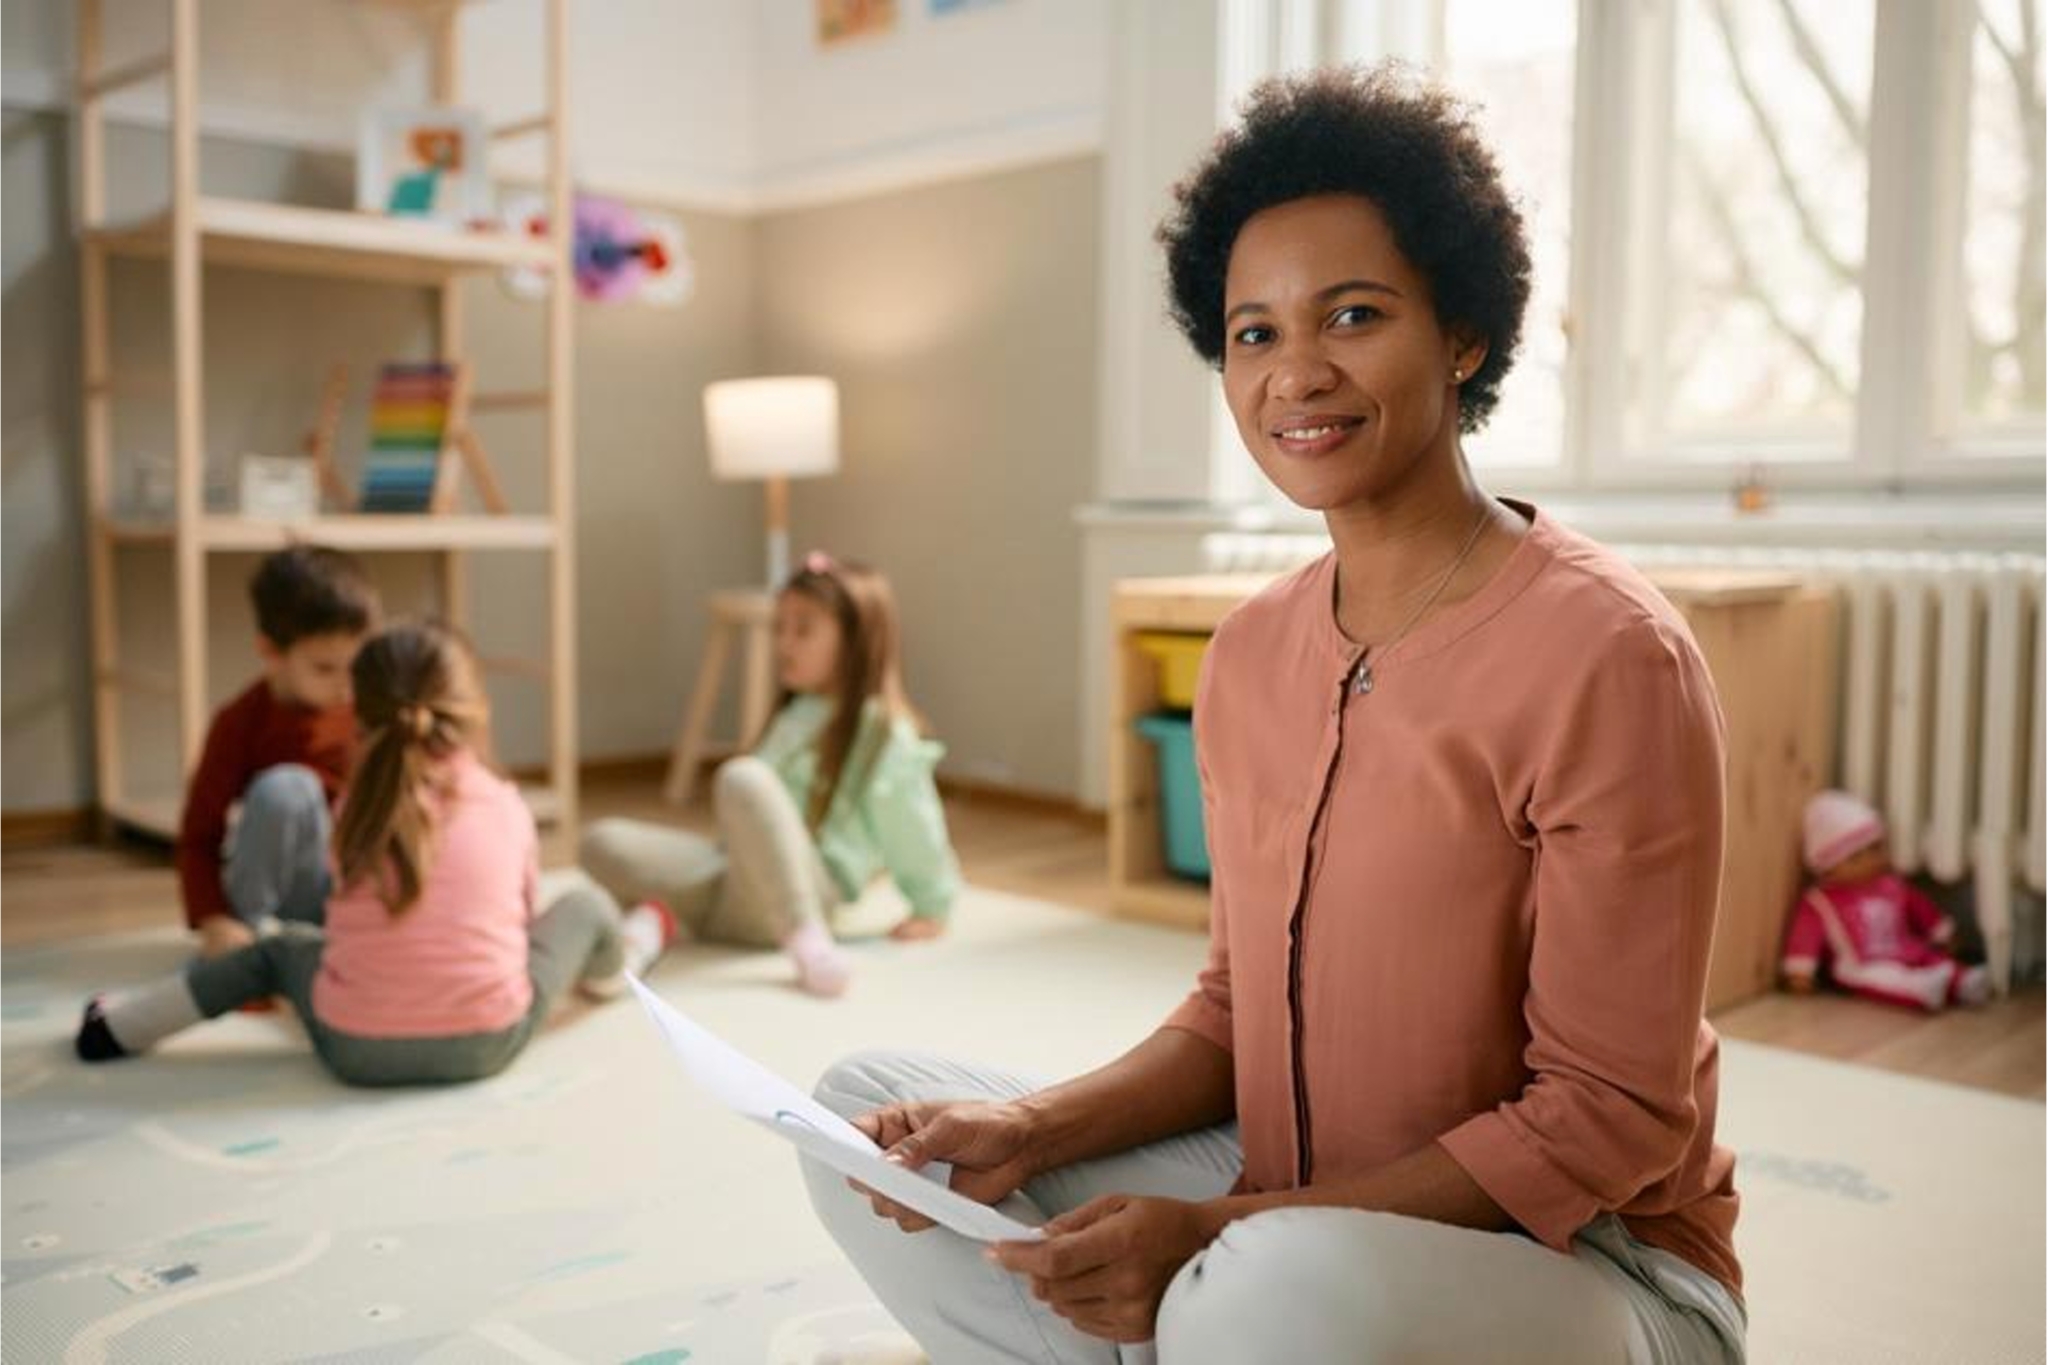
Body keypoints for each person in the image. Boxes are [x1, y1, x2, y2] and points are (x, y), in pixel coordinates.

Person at [800, 64, 1746, 1363]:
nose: (1296, 372)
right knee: (870, 1124)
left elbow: (1604, 1116)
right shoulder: (1248, 655)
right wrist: (1033, 1129)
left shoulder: (1610, 655)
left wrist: (1208, 1237)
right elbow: (1236, 1015)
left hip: (1590, 1266)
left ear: (1462, 331)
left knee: (1255, 1292)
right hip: (1287, 1200)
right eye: (1253, 332)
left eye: (1352, 315)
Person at [79, 622, 673, 1086]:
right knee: (586, 905)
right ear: (474, 712)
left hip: (353, 1045)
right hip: (485, 1041)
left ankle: (121, 1029)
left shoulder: (356, 807)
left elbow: (341, 914)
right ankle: (621, 966)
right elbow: (516, 930)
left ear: (356, 717)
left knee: (276, 952)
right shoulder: (504, 804)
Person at [582, 553, 961, 998]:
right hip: (736, 886)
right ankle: (655, 922)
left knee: (743, 778)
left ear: (855, 640)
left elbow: (912, 824)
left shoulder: (882, 730)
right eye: (779, 627)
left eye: (803, 629)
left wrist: (931, 905)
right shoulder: (795, 714)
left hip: (809, 890)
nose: (784, 643)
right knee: (601, 841)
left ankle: (805, 940)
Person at [177, 544, 377, 958]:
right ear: (271, 652)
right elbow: (198, 837)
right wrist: (215, 920)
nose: (345, 685)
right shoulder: (240, 722)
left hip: (353, 888)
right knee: (289, 787)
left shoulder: (370, 709)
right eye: (324, 668)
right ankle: (251, 947)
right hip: (279, 895)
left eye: (355, 666)